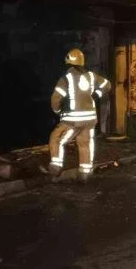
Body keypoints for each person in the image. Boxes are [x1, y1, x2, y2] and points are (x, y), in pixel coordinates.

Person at [43, 48, 111, 182]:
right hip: (90, 119)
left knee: (56, 138)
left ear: (68, 63)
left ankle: (55, 167)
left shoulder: (66, 79)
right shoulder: (91, 76)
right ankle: (84, 174)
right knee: (85, 144)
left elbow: (55, 99)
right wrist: (96, 95)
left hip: (73, 119)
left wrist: (58, 112)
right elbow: (107, 85)